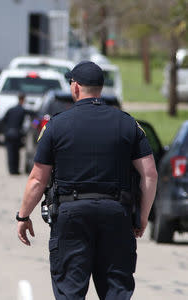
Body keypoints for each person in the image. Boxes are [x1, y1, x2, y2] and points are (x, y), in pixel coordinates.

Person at [16, 61, 158, 300]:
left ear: (76, 87)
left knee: (70, 292)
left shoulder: (56, 125)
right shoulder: (127, 123)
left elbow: (37, 180)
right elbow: (149, 174)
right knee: (116, 292)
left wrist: (23, 216)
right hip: (117, 214)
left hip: (71, 216)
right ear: (100, 88)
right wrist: (141, 218)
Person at [3, 93, 26, 175]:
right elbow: (34, 119)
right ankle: (15, 170)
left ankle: (11, 170)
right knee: (16, 153)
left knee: (10, 152)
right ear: (23, 100)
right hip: (17, 134)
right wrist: (35, 124)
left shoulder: (11, 109)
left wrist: (5, 131)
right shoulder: (23, 110)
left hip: (9, 133)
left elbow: (3, 120)